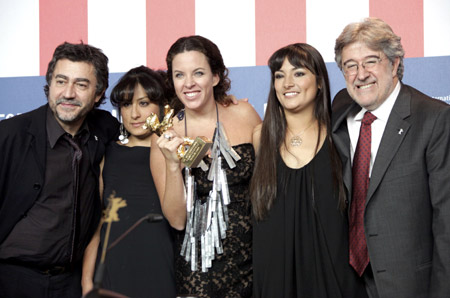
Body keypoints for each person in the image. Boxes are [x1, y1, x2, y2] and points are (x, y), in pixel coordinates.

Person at [332, 17, 450, 298]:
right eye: (351, 65)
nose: (361, 74)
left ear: (395, 63)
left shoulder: (433, 118)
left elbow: (446, 222)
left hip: (409, 284)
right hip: (348, 283)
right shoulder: (340, 107)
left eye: (371, 61)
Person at [0, 42, 119, 298]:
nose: (68, 93)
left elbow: (144, 125)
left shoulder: (104, 129)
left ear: (98, 94)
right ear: (50, 84)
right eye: (61, 81)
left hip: (71, 284)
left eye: (81, 84)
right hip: (13, 280)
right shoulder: (10, 136)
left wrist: (220, 105)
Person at [250, 43, 367, 298]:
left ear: (320, 82)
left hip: (332, 278)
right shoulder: (260, 137)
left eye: (299, 73)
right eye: (279, 75)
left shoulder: (342, 134)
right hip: (274, 279)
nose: (287, 83)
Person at [150, 35, 261, 297]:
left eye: (198, 73)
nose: (188, 83)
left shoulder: (244, 114)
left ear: (215, 76)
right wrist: (172, 163)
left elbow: (270, 181)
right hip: (199, 269)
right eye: (179, 75)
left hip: (255, 258)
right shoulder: (165, 138)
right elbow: (177, 221)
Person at [81, 66, 176, 297]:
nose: (134, 114)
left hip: (161, 266)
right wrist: (86, 282)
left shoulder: (174, 151)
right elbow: (99, 223)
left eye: (143, 103)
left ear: (162, 106)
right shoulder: (108, 154)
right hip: (112, 268)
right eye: (126, 104)